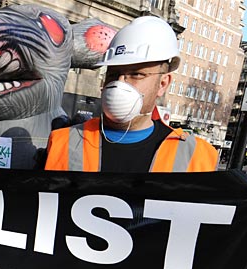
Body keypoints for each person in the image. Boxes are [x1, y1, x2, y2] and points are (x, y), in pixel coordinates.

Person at [45, 16, 219, 172]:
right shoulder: (62, 142)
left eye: (136, 74)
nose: (120, 83)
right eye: (113, 74)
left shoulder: (197, 157)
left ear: (163, 84)